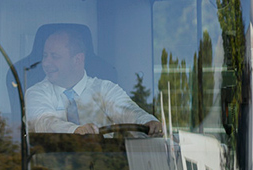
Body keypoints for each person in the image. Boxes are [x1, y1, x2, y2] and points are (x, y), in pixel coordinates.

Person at [25, 26, 163, 136]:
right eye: (45, 56)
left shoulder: (105, 89)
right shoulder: (36, 93)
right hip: (50, 168)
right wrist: (75, 131)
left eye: (54, 56)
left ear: (77, 59)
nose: (46, 63)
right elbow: (44, 122)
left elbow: (128, 112)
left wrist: (149, 123)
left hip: (104, 166)